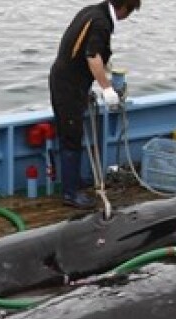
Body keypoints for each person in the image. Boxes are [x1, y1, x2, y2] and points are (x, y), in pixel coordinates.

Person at [48, 0, 140, 209]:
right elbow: (92, 56)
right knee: (70, 136)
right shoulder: (101, 23)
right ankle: (70, 193)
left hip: (74, 82)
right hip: (67, 86)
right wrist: (107, 88)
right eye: (130, 11)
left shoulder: (91, 11)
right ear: (124, 7)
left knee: (76, 133)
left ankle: (76, 181)